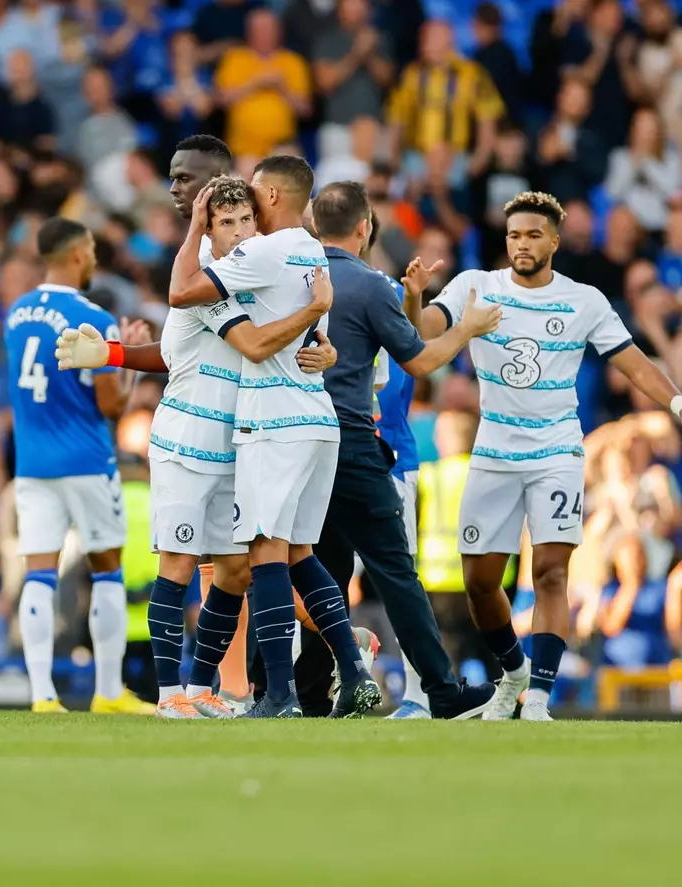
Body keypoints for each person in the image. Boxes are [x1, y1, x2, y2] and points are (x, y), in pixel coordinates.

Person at [58, 175, 339, 718]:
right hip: (185, 441)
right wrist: (114, 354)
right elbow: (202, 350)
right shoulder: (206, 286)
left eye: (243, 222)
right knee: (179, 563)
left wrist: (323, 352)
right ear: (205, 231)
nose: (235, 233)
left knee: (234, 573)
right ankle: (169, 696)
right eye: (223, 224)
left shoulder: (256, 275)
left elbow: (282, 344)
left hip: (240, 444)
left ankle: (202, 689)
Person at [415, 191, 682, 721]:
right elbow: (423, 332)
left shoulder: (584, 300)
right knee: (480, 582)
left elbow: (630, 363)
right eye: (514, 235)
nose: (522, 244)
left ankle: (538, 694)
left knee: (552, 572)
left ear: (554, 242)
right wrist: (412, 297)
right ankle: (512, 671)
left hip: (557, 448)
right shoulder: (476, 286)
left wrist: (675, 400)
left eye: (534, 235)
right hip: (493, 449)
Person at [168, 155, 380, 718]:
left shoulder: (262, 251)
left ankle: (278, 695)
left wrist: (194, 227)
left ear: (272, 195)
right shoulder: (314, 251)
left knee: (264, 554)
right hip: (317, 419)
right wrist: (319, 328)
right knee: (300, 556)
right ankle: (354, 671)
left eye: (253, 198)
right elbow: (317, 343)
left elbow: (183, 291)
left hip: (273, 423)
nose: (246, 211)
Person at [288, 184, 503, 720]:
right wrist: (469, 329)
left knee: (323, 572)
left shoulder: (288, 278)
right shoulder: (369, 284)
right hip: (352, 441)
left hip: (294, 441)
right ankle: (442, 691)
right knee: (394, 569)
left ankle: (312, 695)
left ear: (315, 224)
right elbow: (420, 362)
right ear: (364, 228)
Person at [4, 216, 151, 716]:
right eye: (89, 249)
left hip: (32, 463)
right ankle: (108, 692)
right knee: (107, 570)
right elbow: (111, 406)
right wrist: (126, 362)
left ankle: (42, 696)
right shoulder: (94, 320)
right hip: (87, 459)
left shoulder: (16, 314)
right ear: (74, 254)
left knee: (39, 573)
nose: (93, 258)